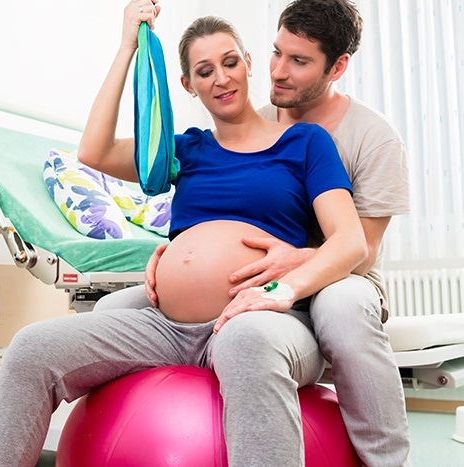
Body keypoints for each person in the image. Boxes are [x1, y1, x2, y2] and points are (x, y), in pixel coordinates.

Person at [0, 1, 367, 465]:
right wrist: (126, 49)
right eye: (204, 70)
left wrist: (284, 291)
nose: (220, 77)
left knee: (246, 341)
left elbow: (350, 241)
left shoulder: (304, 142)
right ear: (188, 85)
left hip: (265, 320)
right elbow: (92, 151)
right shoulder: (184, 150)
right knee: (31, 348)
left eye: (229, 62)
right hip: (167, 326)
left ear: (248, 63)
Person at [96, 0, 412, 465]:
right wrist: (176, 252)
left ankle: (385, 458)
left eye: (299, 61)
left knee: (342, 309)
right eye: (276, 52)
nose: (278, 72)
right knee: (109, 308)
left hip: (342, 277)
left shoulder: (371, 137)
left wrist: (293, 264)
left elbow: (360, 250)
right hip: (253, 276)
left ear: (338, 67)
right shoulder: (255, 119)